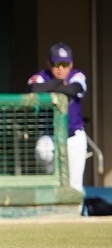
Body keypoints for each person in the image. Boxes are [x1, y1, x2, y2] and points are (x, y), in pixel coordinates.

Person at [27, 42, 87, 192]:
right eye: (56, 64)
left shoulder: (77, 75)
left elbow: (74, 89)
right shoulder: (41, 76)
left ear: (71, 64)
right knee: (43, 152)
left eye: (64, 64)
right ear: (49, 63)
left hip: (74, 136)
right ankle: (53, 178)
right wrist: (60, 84)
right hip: (50, 135)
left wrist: (50, 88)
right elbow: (34, 88)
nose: (61, 68)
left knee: (75, 187)